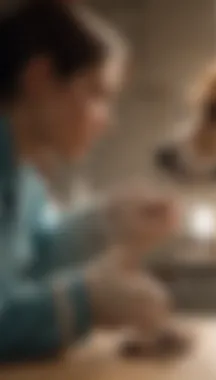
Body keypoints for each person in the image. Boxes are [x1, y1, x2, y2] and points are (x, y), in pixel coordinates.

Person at [0, 0, 177, 361]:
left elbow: (30, 261)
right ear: (39, 78)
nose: (107, 122)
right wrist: (83, 304)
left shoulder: (23, 176)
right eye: (96, 93)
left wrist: (103, 222)